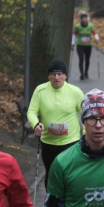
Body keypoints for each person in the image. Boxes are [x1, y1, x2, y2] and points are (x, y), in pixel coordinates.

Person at [27, 59, 84, 188]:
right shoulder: (40, 91)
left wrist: (85, 135)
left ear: (65, 75)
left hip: (70, 141)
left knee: (68, 173)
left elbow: (85, 114)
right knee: (51, 173)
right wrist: (36, 125)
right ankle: (50, 202)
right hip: (48, 142)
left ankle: (68, 201)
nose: (57, 77)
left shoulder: (76, 92)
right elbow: (31, 111)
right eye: (53, 74)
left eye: (60, 74)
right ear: (48, 76)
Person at [72, 13, 99, 80]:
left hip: (88, 45)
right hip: (80, 45)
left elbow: (94, 32)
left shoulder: (90, 26)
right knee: (81, 59)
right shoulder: (78, 26)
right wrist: (72, 44)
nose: (84, 20)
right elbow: (74, 35)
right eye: (83, 19)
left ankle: (86, 72)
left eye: (85, 19)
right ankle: (82, 74)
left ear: (87, 19)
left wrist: (96, 38)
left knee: (87, 59)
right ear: (81, 19)